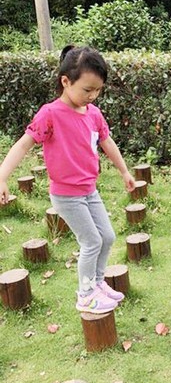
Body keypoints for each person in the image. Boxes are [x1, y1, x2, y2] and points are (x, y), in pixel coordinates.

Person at [0, 45, 136, 314]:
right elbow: (23, 145)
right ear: (66, 81)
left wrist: (124, 171)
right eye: (87, 90)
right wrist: (2, 177)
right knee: (91, 241)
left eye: (98, 90)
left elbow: (107, 143)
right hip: (66, 195)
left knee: (107, 237)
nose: (93, 96)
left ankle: (97, 283)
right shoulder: (50, 113)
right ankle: (85, 294)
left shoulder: (93, 114)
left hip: (89, 190)